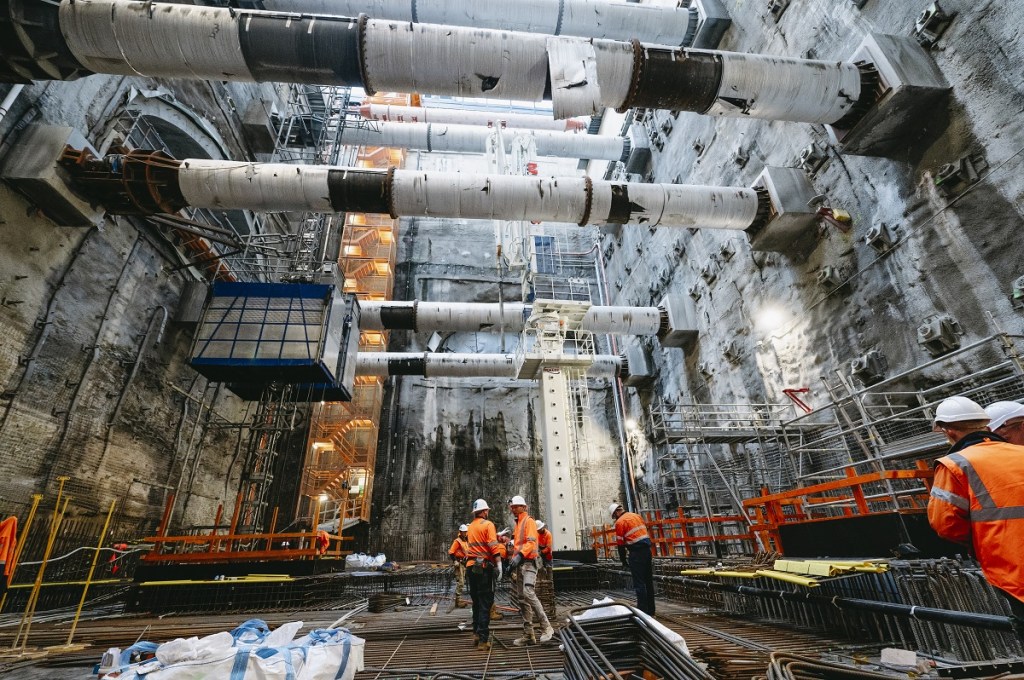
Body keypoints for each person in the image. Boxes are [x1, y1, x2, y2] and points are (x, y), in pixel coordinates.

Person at [927, 396, 1024, 639]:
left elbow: (945, 524)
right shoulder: (1019, 453)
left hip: (1011, 565)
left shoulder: (955, 464)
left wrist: (980, 538)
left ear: (949, 431)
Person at [506, 496, 555, 646]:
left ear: (523, 507)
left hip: (530, 563)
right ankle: (529, 634)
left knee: (528, 592)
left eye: (516, 507)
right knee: (522, 599)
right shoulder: (518, 524)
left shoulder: (529, 522)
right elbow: (517, 546)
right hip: (521, 564)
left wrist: (519, 556)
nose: (513, 509)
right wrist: (512, 564)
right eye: (512, 507)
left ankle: (547, 627)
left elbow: (531, 543)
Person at [465, 499, 502, 652]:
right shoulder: (488, 525)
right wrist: (499, 563)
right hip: (484, 568)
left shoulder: (470, 527)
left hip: (471, 567)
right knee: (485, 603)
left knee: (476, 602)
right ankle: (483, 640)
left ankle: (475, 634)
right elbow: (493, 546)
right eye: (487, 510)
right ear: (484, 511)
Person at [610, 502, 656, 615]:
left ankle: (642, 611)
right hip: (647, 551)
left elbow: (620, 544)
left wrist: (623, 560)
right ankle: (651, 610)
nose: (614, 518)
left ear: (616, 512)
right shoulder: (636, 516)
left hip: (636, 553)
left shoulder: (620, 522)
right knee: (648, 581)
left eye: (614, 516)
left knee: (639, 583)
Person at [448, 524, 470, 608]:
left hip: (464, 563)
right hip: (459, 563)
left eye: (466, 532)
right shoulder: (457, 541)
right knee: (460, 582)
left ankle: (459, 600)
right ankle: (458, 600)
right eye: (464, 532)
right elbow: (451, 552)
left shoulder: (465, 541)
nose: (465, 533)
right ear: (460, 532)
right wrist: (455, 561)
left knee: (462, 581)